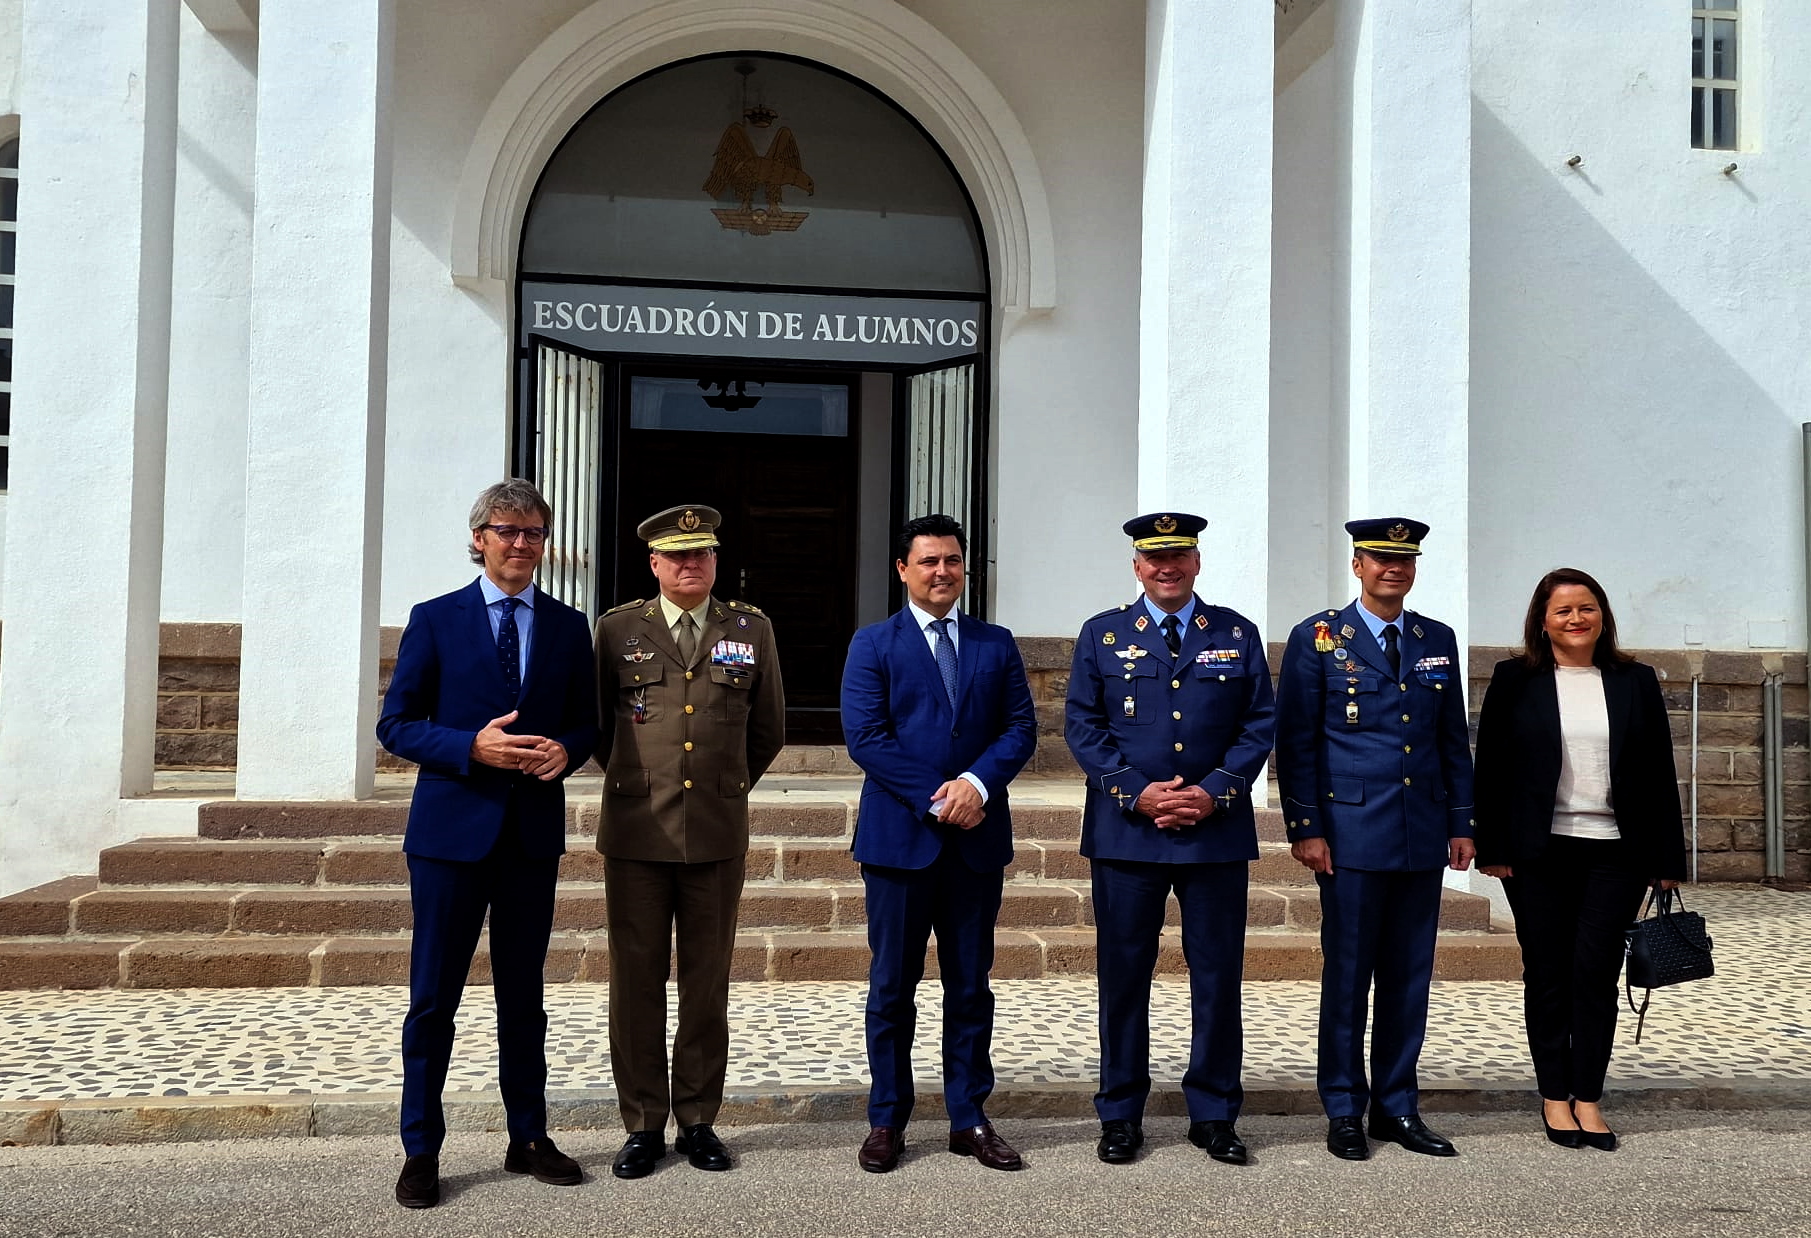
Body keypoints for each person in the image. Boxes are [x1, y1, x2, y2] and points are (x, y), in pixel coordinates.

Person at [377, 479, 601, 1209]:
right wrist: (468, 747)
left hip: (530, 836)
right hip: (448, 836)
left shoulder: (569, 628)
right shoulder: (435, 619)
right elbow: (398, 724)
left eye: (533, 532)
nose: (520, 543)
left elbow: (585, 724)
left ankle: (527, 1136)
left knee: (523, 997)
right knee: (432, 998)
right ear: (479, 538)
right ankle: (421, 1148)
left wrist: (564, 752)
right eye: (506, 530)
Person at [1063, 512, 1275, 1167]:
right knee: (1122, 978)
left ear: (1196, 561)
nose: (1166, 566)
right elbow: (1082, 724)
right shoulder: (1102, 635)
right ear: (1136, 566)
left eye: (1178, 554)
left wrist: (1212, 790)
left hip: (1214, 835)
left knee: (1217, 978)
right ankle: (1120, 1112)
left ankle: (1213, 1113)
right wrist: (1135, 790)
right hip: (1127, 834)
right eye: (1154, 557)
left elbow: (1258, 722)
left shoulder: (1235, 633)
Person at [840, 514, 1039, 1174]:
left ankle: (968, 1117)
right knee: (891, 989)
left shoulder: (995, 643)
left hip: (975, 844)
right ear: (903, 570)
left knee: (969, 988)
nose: (942, 572)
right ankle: (886, 1119)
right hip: (900, 843)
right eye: (928, 562)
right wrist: (940, 796)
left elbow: (1018, 729)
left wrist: (976, 786)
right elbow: (867, 739)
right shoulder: (873, 644)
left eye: (952, 561)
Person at [1274, 517, 1476, 1161]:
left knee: (1409, 976)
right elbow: (1297, 741)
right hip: (1352, 834)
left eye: (1405, 560)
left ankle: (1397, 1105)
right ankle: (1342, 1107)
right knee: (1348, 974)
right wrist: (1306, 827)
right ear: (1358, 564)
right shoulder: (1320, 638)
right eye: (1380, 558)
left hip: (1420, 831)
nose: (1394, 568)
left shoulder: (1435, 639)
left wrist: (1461, 822)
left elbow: (1451, 741)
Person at [594, 504, 786, 1179]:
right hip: (636, 832)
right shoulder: (617, 629)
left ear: (714, 560)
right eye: (676, 555)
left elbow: (767, 730)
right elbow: (597, 727)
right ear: (654, 564)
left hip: (714, 831)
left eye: (700, 553)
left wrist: (725, 785)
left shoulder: (750, 628)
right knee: (636, 983)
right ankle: (643, 1122)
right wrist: (637, 784)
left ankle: (698, 1119)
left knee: (706, 985)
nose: (689, 564)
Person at [1474, 568, 1685, 1152]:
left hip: (1616, 851)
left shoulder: (1633, 680)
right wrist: (1493, 847)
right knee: (1546, 973)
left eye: (1586, 608)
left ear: (1603, 615)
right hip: (1537, 852)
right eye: (1563, 610)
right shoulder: (1516, 679)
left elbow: (1658, 771)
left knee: (1595, 973)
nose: (1576, 619)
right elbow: (1489, 767)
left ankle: (1588, 1096)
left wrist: (1668, 856)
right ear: (1542, 619)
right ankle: (1553, 1095)